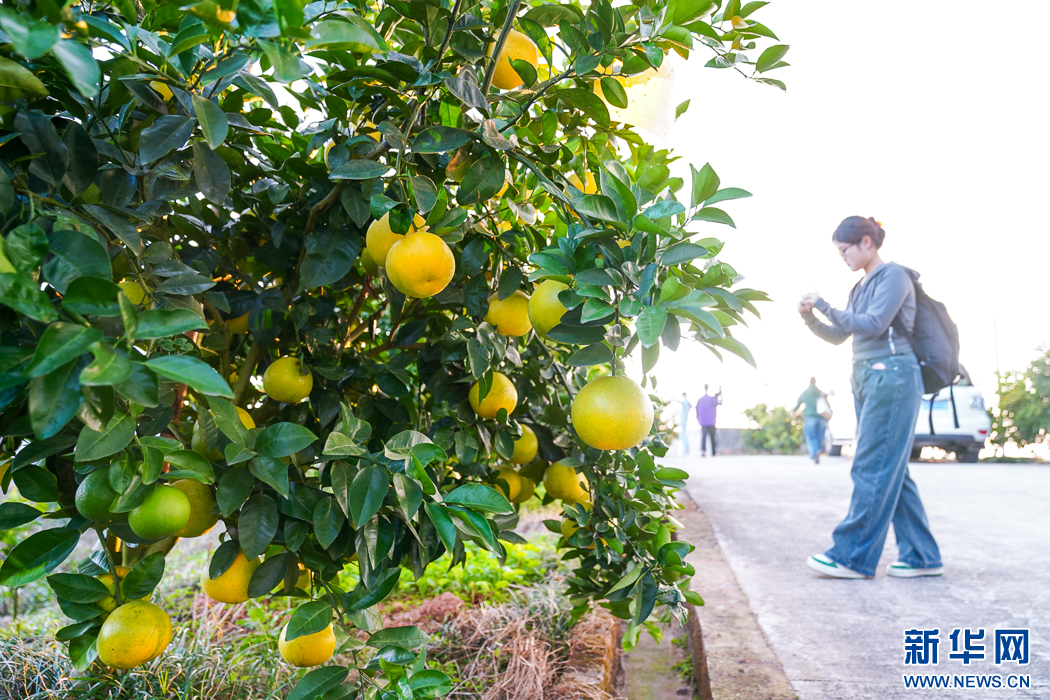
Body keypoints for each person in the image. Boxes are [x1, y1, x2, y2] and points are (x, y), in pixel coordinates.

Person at [797, 216, 942, 580]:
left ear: (866, 242)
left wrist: (825, 304)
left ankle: (852, 557)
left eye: (845, 250)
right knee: (892, 470)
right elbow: (839, 335)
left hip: (892, 375)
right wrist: (809, 318)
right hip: (867, 376)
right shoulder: (860, 286)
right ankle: (923, 556)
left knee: (872, 466)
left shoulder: (893, 276)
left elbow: (874, 324)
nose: (842, 257)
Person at [791, 378, 827, 464]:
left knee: (811, 436)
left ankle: (814, 452)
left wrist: (793, 412)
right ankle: (818, 450)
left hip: (810, 417)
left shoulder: (805, 393)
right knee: (820, 436)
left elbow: (798, 403)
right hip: (821, 417)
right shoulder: (820, 392)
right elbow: (826, 403)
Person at [695, 385, 722, 457]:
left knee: (703, 437)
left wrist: (698, 419)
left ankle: (703, 451)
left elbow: (696, 410)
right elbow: (720, 402)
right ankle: (714, 452)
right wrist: (720, 395)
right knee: (712, 437)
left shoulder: (700, 400)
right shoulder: (712, 399)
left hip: (703, 422)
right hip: (711, 421)